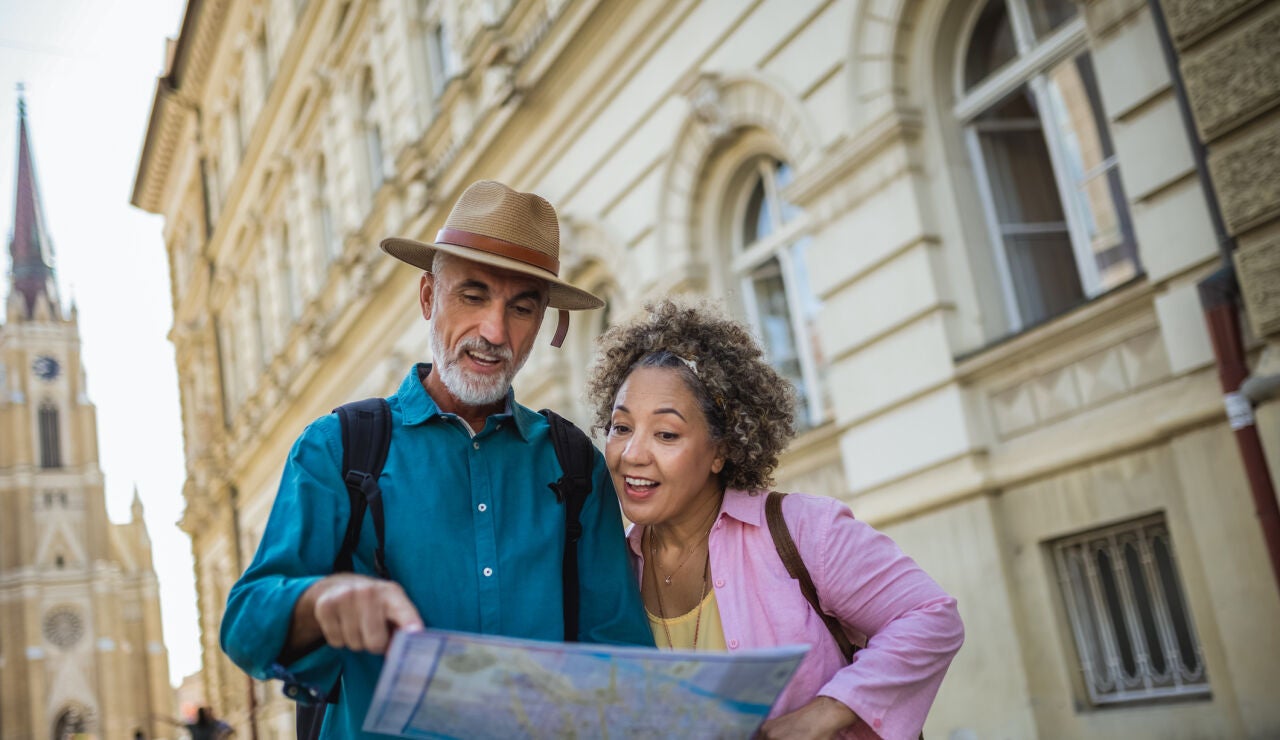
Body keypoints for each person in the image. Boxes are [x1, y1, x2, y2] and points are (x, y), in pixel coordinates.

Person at [221, 180, 653, 738]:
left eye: (521, 308)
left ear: (543, 322)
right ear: (428, 297)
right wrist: (318, 599)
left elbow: (622, 663)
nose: (494, 332)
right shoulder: (338, 447)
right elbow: (245, 625)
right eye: (472, 296)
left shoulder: (575, 466)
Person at [586, 298, 964, 740]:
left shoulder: (805, 529)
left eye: (666, 434)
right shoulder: (612, 564)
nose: (632, 455)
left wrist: (824, 713)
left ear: (721, 450)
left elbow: (930, 616)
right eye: (621, 427)